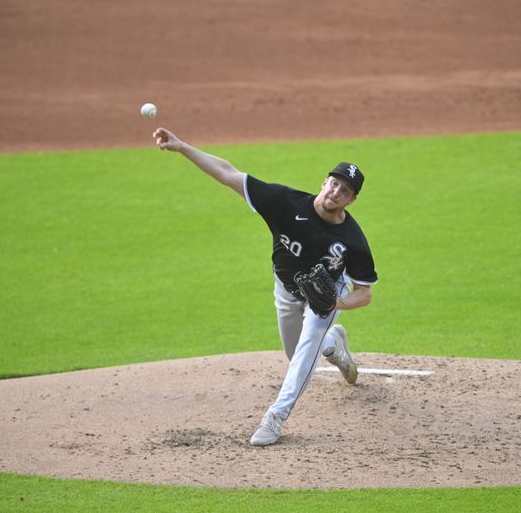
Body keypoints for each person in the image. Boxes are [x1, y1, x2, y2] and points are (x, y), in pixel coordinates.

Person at [153, 127, 378, 446]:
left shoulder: (352, 241)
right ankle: (334, 346)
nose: (336, 192)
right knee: (294, 352)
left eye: (345, 191)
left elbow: (364, 293)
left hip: (325, 301)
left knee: (304, 352)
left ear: (352, 200)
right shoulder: (284, 203)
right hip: (286, 290)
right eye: (334, 183)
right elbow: (228, 174)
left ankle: (275, 418)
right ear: (324, 182)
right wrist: (182, 147)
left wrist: (335, 304)